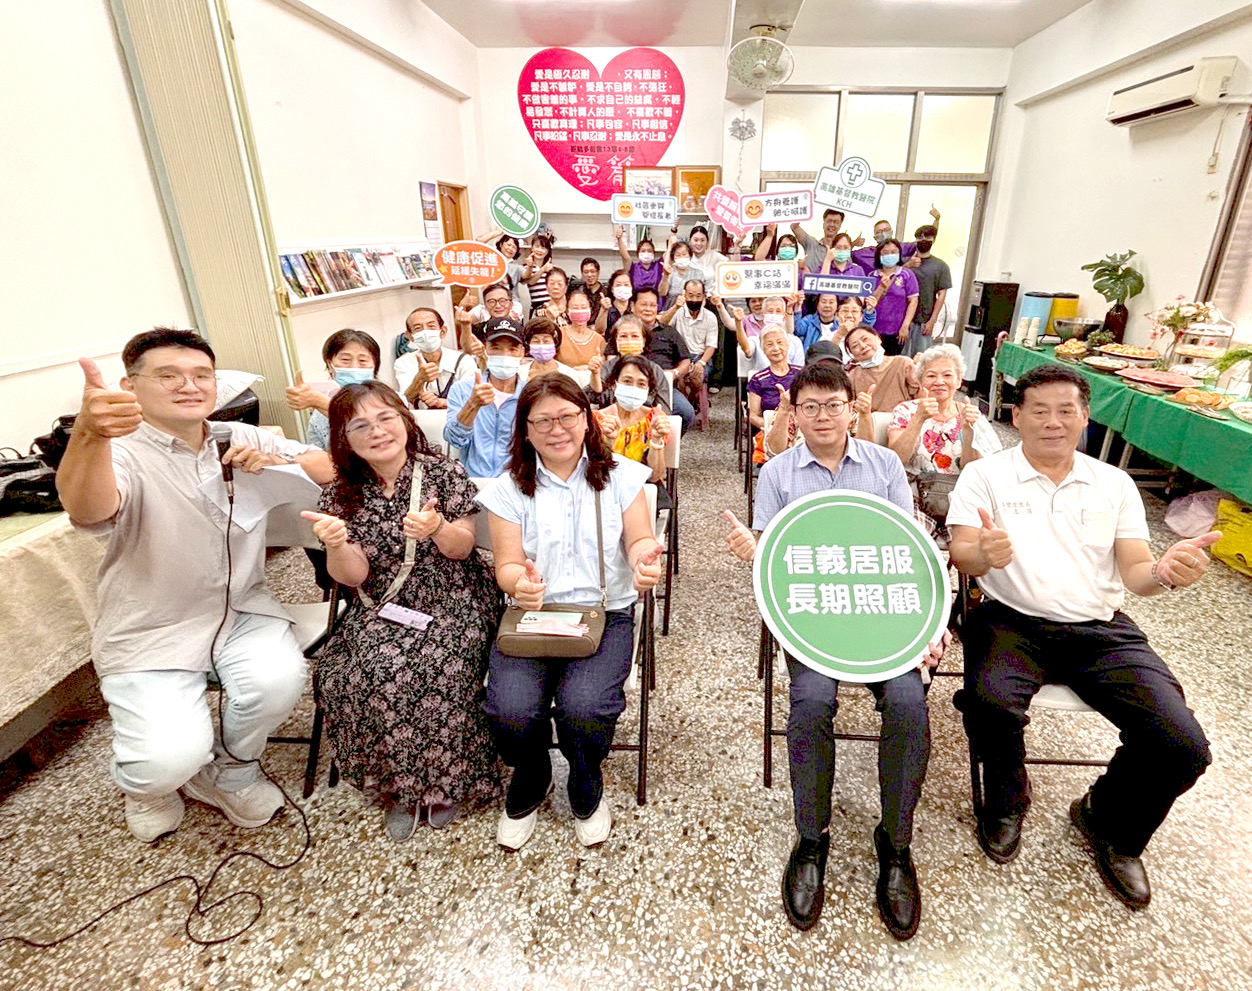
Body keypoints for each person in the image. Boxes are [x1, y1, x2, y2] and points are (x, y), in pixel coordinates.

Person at [946, 363, 1215, 909]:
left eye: (1066, 410)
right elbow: (963, 553)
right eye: (1040, 411)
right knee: (988, 703)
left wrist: (1165, 572)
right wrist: (983, 555)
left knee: (1181, 744)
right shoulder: (986, 476)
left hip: (1100, 628)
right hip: (1011, 619)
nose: (1053, 422)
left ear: (1085, 417)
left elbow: (1136, 572)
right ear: (1016, 416)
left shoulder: (1113, 484)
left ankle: (1110, 822)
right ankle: (1006, 802)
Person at [56, 328, 334, 842]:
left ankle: (234, 772)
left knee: (278, 683)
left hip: (243, 612)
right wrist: (90, 435)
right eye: (168, 375)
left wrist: (284, 461)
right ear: (130, 386)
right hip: (152, 625)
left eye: (201, 375)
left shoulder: (239, 437)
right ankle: (148, 789)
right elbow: (89, 509)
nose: (189, 385)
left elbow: (331, 466)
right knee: (167, 760)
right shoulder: (121, 452)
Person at [722, 360, 948, 939]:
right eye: (810, 407)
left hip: (881, 617)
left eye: (833, 405)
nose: (822, 416)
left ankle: (896, 843)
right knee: (811, 703)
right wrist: (754, 550)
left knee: (909, 704)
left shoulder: (885, 464)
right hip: (814, 622)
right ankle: (811, 838)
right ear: (794, 414)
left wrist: (932, 623)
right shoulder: (776, 472)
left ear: (853, 409)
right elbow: (775, 557)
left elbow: (906, 552)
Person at [303, 382, 502, 840]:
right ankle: (398, 787)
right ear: (343, 439)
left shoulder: (443, 473)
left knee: (435, 665)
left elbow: (462, 548)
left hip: (453, 596)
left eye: (385, 418)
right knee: (352, 673)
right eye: (360, 426)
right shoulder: (340, 494)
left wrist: (437, 527)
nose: (377, 432)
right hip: (380, 604)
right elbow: (353, 576)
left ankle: (448, 783)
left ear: (405, 420)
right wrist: (337, 544)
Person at [478, 375, 663, 850]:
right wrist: (519, 584)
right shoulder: (508, 488)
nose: (556, 429)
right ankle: (533, 770)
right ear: (525, 430)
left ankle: (584, 774)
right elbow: (506, 565)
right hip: (531, 617)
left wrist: (643, 562)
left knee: (586, 707)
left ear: (586, 419)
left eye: (566, 417)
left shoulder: (622, 476)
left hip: (603, 613)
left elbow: (639, 539)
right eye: (542, 421)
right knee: (509, 708)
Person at [887, 344, 996, 476]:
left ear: (958, 381)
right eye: (931, 376)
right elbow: (896, 459)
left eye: (947, 375)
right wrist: (919, 418)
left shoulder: (970, 414)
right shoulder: (904, 411)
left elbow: (974, 471)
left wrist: (969, 432)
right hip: (913, 486)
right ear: (921, 382)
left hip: (956, 487)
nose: (939, 382)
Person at [444, 317, 528, 477]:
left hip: (515, 481)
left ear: (522, 353)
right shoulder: (462, 389)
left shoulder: (530, 393)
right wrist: (472, 405)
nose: (504, 355)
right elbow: (454, 440)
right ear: (485, 349)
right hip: (472, 480)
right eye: (496, 348)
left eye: (512, 349)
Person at [285, 328, 381, 449]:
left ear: (375, 366)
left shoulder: (392, 400)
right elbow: (318, 453)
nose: (354, 367)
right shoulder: (318, 417)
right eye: (345, 360)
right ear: (330, 365)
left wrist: (320, 402)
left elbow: (368, 428)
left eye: (363, 361)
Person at [593, 356, 671, 482]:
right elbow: (597, 474)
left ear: (648, 390)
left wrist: (656, 439)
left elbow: (655, 477)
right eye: (627, 381)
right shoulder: (597, 421)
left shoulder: (654, 419)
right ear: (613, 384)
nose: (634, 388)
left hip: (643, 485)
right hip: (607, 484)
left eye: (641, 384)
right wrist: (608, 441)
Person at [659, 279, 724, 422]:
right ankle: (687, 403)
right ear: (684, 295)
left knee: (697, 376)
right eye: (690, 295)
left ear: (704, 296)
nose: (694, 299)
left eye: (698, 296)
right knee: (680, 377)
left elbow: (711, 346)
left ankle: (693, 398)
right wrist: (675, 307)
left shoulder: (710, 317)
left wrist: (701, 363)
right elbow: (661, 323)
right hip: (680, 355)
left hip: (701, 356)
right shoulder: (678, 312)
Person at [633, 287, 696, 432]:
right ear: (633, 306)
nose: (648, 309)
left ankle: (668, 443)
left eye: (652, 305)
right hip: (633, 385)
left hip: (665, 386)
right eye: (643, 304)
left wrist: (675, 373)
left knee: (686, 413)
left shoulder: (669, 331)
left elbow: (686, 360)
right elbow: (611, 357)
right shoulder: (624, 330)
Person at [586, 314, 674, 415]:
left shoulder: (655, 370)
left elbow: (664, 411)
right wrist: (595, 375)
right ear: (616, 341)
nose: (629, 341)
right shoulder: (606, 368)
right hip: (611, 420)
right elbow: (591, 399)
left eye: (635, 336)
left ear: (643, 341)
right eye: (623, 336)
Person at [394, 308, 476, 410]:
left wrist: (440, 403)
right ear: (410, 336)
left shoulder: (463, 361)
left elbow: (472, 401)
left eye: (431, 326)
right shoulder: (403, 363)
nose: (425, 332)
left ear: (443, 331)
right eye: (418, 328)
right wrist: (419, 379)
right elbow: (404, 401)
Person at [845, 324, 920, 417]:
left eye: (865, 339)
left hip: (904, 419)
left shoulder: (903, 363)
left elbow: (919, 396)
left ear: (878, 338)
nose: (863, 346)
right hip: (870, 422)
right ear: (852, 355)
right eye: (855, 346)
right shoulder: (853, 376)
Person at [865, 239, 919, 357]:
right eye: (886, 252)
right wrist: (881, 287)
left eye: (894, 252)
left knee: (893, 362)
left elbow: (913, 301)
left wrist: (905, 326)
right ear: (879, 255)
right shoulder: (871, 276)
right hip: (874, 330)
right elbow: (870, 303)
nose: (890, 255)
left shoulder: (907, 275)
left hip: (897, 330)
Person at [905, 224, 953, 357]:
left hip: (924, 320)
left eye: (927, 237)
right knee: (901, 359)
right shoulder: (906, 262)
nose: (923, 240)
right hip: (902, 319)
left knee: (921, 358)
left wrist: (932, 320)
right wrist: (907, 265)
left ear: (934, 240)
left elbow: (942, 295)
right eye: (920, 237)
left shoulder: (941, 266)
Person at [730, 297, 805, 373]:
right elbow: (747, 349)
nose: (774, 314)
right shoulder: (756, 340)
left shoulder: (795, 341)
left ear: (784, 315)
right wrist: (738, 322)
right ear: (763, 314)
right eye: (770, 311)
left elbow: (799, 370)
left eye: (778, 311)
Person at [455, 281, 518, 359]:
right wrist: (465, 325)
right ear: (485, 306)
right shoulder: (479, 329)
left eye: (502, 301)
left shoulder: (520, 329)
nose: (498, 306)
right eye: (492, 302)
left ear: (511, 304)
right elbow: (468, 349)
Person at [557, 286, 606, 368]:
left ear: (590, 309)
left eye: (583, 307)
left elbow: (603, 367)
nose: (579, 311)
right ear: (567, 310)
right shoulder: (559, 335)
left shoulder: (598, 340)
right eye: (575, 308)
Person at [657, 239, 707, 312]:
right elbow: (662, 293)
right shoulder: (670, 272)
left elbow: (703, 297)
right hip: (672, 311)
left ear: (690, 256)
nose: (681, 258)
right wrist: (666, 275)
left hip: (693, 312)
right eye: (678, 255)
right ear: (673, 258)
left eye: (684, 254)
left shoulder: (699, 273)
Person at [523, 316, 577, 381]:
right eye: (536, 341)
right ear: (528, 344)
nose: (541, 345)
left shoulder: (569, 374)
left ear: (555, 343)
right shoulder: (521, 374)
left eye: (546, 341)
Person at [615, 226, 663, 292]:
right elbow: (625, 256)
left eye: (649, 251)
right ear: (638, 254)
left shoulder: (659, 266)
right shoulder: (633, 268)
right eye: (643, 251)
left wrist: (673, 231)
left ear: (653, 253)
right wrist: (619, 239)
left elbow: (669, 251)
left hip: (655, 298)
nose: (646, 253)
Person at [603, 268, 636, 348]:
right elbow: (600, 330)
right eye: (618, 285)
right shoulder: (606, 308)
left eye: (626, 285)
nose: (622, 288)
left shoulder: (636, 308)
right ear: (612, 288)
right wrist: (603, 310)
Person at [521, 237, 555, 315]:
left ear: (547, 251)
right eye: (537, 246)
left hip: (551, 305)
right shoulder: (526, 268)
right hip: (535, 307)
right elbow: (530, 282)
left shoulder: (552, 268)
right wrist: (543, 269)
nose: (539, 250)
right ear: (532, 248)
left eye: (543, 248)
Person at [688, 225, 725, 292]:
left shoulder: (714, 255)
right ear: (690, 240)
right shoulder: (685, 256)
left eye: (702, 240)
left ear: (707, 242)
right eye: (696, 240)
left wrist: (737, 247)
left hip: (711, 296)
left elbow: (732, 266)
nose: (699, 243)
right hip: (690, 296)